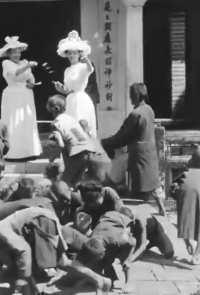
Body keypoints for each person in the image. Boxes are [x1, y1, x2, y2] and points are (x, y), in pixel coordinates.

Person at [0, 207, 111, 294]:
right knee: (60, 262)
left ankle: (99, 280)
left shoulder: (0, 231)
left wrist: (23, 278)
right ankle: (101, 280)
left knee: (62, 262)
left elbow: (24, 251)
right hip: (39, 220)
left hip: (42, 221)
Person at [101, 83, 166, 216]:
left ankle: (141, 216)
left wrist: (104, 143)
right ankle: (159, 206)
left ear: (135, 95)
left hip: (138, 155)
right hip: (150, 152)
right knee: (151, 184)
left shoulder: (135, 114)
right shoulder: (149, 109)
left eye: (131, 95)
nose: (130, 98)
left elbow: (122, 137)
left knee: (139, 189)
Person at [47, 95, 111, 187]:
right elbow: (78, 137)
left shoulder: (56, 123)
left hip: (75, 154)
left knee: (65, 183)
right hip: (88, 151)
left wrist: (52, 159)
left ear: (53, 109)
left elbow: (60, 145)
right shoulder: (71, 119)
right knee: (77, 182)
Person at [0, 36, 42, 160]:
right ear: (9, 54)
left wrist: (31, 83)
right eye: (13, 52)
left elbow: (30, 78)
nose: (16, 54)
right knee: (14, 120)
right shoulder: (6, 63)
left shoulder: (24, 63)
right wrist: (28, 65)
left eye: (18, 51)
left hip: (26, 95)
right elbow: (15, 73)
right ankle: (14, 153)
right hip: (13, 95)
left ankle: (29, 151)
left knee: (26, 121)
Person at [76, 210, 136, 291]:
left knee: (125, 261)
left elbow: (132, 242)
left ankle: (128, 283)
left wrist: (127, 259)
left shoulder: (120, 240)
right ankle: (108, 278)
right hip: (106, 228)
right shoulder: (91, 239)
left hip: (119, 230)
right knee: (105, 259)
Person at [54, 30, 97, 137]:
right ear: (67, 54)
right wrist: (61, 89)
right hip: (70, 100)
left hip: (81, 100)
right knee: (71, 129)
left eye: (75, 53)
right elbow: (68, 90)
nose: (72, 55)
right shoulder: (67, 70)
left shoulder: (83, 67)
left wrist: (86, 60)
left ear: (79, 54)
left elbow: (90, 69)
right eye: (70, 53)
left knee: (82, 127)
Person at [170, 146, 200, 265]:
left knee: (185, 215)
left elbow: (173, 189)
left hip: (186, 188)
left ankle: (188, 243)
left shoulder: (185, 174)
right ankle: (197, 255)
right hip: (189, 187)